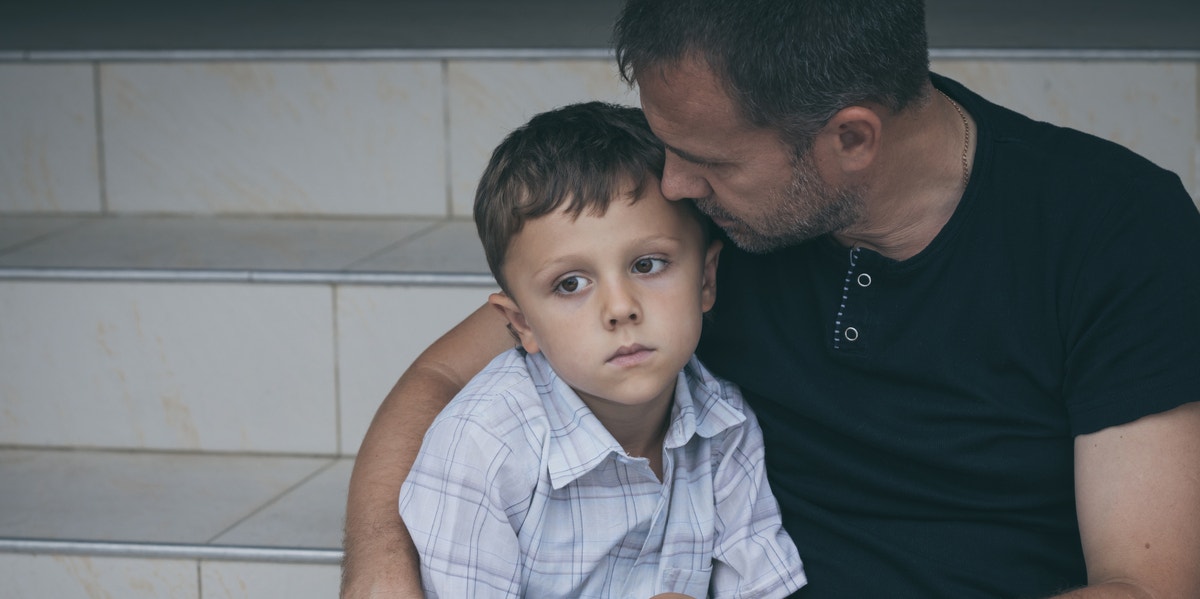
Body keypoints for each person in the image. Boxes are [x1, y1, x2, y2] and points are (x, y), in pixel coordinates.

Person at [343, 1, 1200, 597]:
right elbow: (445, 378)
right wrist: (379, 566)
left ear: (850, 139)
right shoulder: (682, 230)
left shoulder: (1114, 228)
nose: (674, 182)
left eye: (708, 160)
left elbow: (1149, 583)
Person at [397, 101, 806, 599]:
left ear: (706, 279)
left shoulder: (726, 427)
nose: (619, 308)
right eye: (570, 283)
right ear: (522, 323)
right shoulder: (483, 449)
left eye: (648, 264)